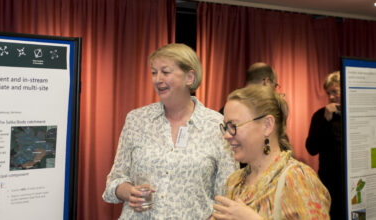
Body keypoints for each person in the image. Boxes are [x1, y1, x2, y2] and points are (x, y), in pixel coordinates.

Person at [102, 43, 236, 219]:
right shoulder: (137, 120)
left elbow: (227, 195)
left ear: (189, 77)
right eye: (154, 72)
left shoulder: (216, 125)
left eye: (165, 72)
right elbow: (114, 181)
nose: (157, 79)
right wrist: (127, 191)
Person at [213, 85, 330, 219]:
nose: (226, 135)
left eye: (233, 126)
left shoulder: (296, 179)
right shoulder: (234, 182)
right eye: (225, 127)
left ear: (267, 125)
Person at [306, 71, 344, 219]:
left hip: (355, 180)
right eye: (329, 93)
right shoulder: (320, 115)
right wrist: (326, 120)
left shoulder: (358, 113)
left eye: (335, 91)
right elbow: (311, 148)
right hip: (331, 183)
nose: (331, 97)